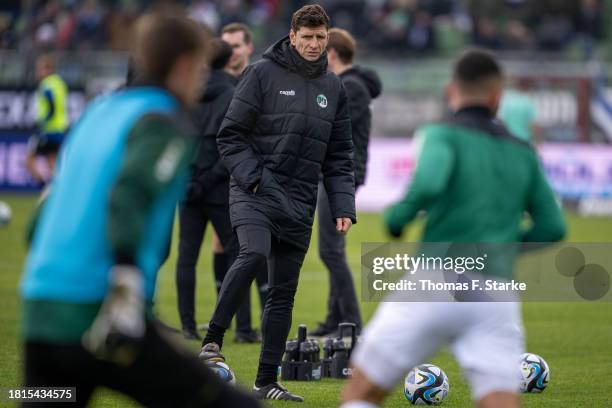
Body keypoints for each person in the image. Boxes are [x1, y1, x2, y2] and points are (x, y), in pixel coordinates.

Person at [20, 12, 259, 408]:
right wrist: (126, 281)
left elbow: (41, 219)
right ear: (184, 65)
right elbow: (129, 195)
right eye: (200, 66)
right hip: (103, 313)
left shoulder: (98, 111)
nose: (203, 78)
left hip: (41, 311)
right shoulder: (163, 122)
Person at [341, 50, 566, 408]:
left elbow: (429, 183)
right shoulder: (523, 152)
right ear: (497, 97)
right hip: (495, 291)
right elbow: (553, 226)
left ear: (451, 91)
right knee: (499, 399)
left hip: (437, 280)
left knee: (362, 390)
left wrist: (398, 218)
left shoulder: (441, 135)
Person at [200, 4, 356, 402]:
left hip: (301, 203)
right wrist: (253, 179)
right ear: (293, 36)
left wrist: (342, 206)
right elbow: (230, 137)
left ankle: (266, 381)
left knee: (282, 294)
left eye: (321, 38)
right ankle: (212, 339)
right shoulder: (261, 74)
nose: (314, 45)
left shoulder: (333, 87)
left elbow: (340, 155)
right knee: (252, 253)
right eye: (307, 37)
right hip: (254, 192)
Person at [175, 39, 259, 342]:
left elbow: (179, 139)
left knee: (187, 257)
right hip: (220, 190)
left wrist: (189, 181)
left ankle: (187, 325)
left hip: (187, 188)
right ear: (228, 61)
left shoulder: (188, 93)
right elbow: (232, 147)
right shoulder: (233, 94)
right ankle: (244, 327)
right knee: (241, 255)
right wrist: (208, 180)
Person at [312, 27, 382, 337]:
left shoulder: (350, 87)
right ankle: (335, 320)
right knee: (333, 248)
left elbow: (331, 130)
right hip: (339, 173)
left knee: (330, 251)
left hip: (340, 175)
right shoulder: (350, 85)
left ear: (332, 54)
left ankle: (352, 324)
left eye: (320, 48)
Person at [25, 54, 69, 185]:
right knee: (52, 162)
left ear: (49, 70)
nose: (39, 73)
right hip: (60, 130)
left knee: (29, 160)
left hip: (48, 130)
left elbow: (51, 105)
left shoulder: (46, 84)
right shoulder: (60, 83)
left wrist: (44, 120)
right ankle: (57, 189)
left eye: (41, 69)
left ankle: (43, 187)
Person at [498, 79, 541, 143]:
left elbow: (501, 121)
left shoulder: (507, 100)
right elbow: (533, 124)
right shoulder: (527, 102)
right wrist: (537, 141)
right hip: (523, 141)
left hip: (509, 140)